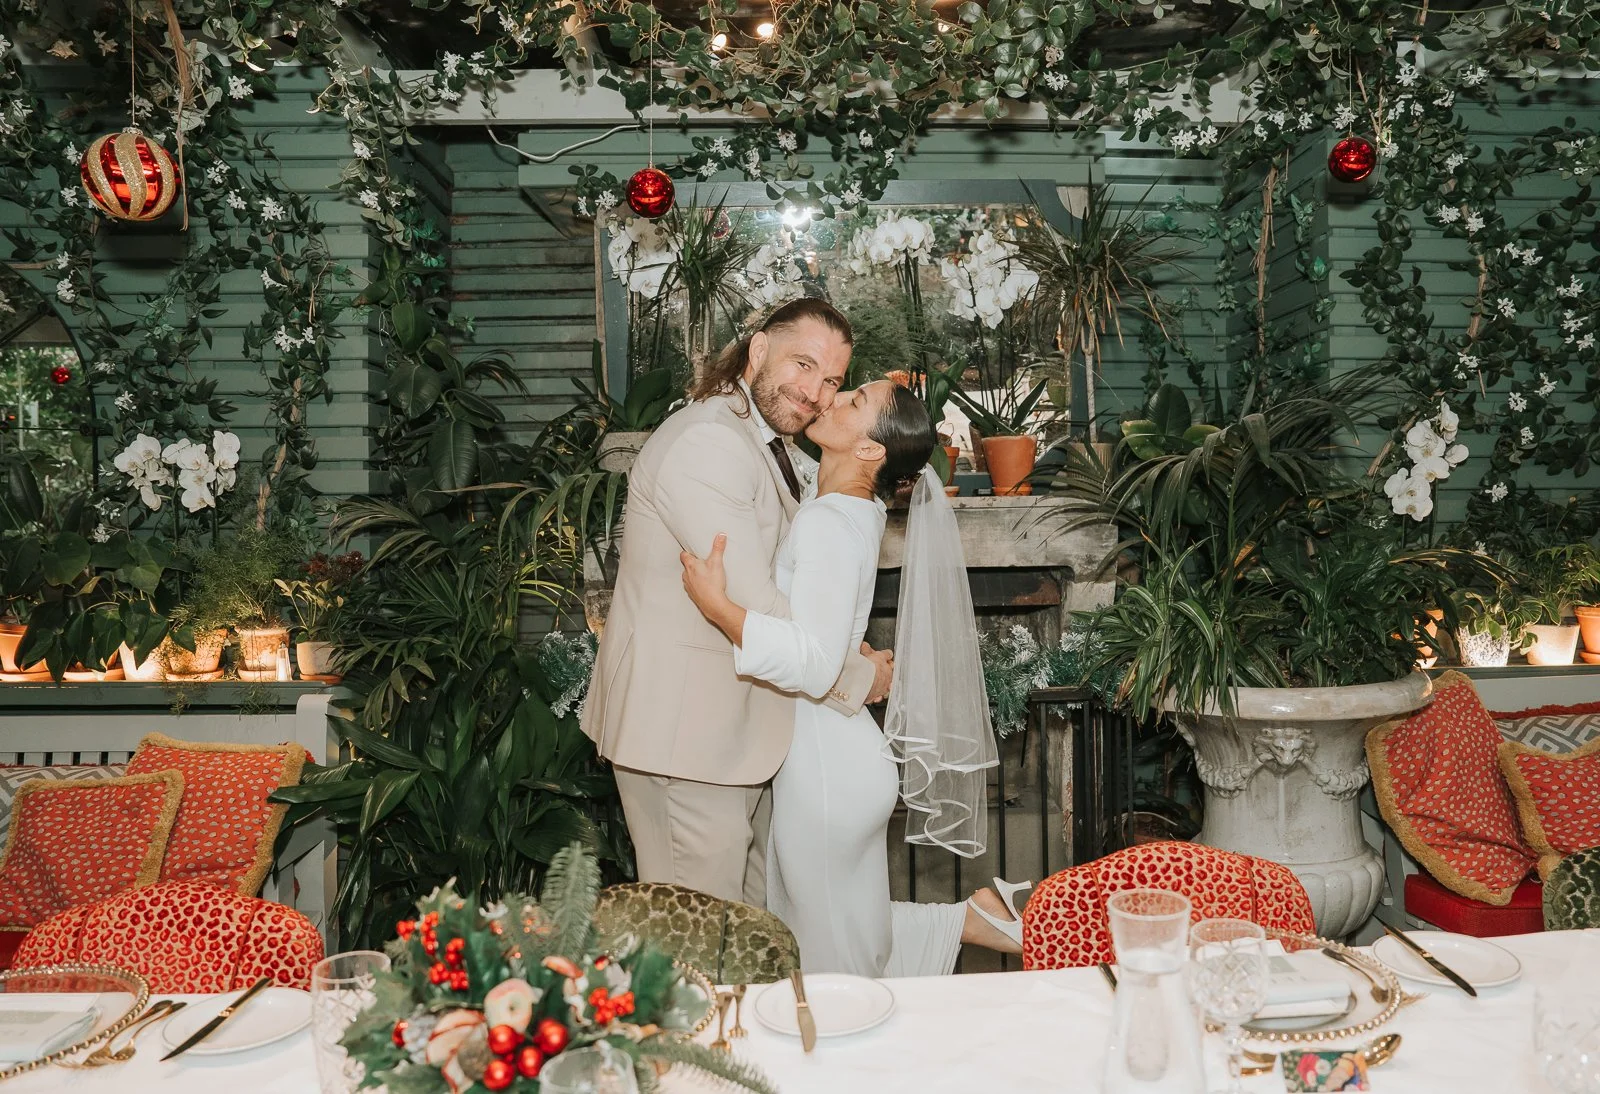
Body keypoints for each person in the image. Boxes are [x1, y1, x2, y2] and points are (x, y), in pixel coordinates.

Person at [680, 379, 1030, 977]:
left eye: (853, 402)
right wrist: (858, 656)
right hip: (841, 761)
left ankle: (871, 1042)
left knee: (826, 958)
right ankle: (971, 919)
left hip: (826, 773)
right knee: (843, 930)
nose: (831, 401)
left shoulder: (830, 521)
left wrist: (718, 609)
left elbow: (814, 663)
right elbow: (830, 630)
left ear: (871, 451)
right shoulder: (857, 510)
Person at [581, 298, 895, 906]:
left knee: (750, 941)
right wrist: (860, 674)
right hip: (684, 744)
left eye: (831, 380)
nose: (816, 393)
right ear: (757, 352)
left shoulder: (763, 437)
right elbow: (759, 606)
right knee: (697, 952)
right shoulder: (709, 443)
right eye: (802, 365)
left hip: (732, 741)